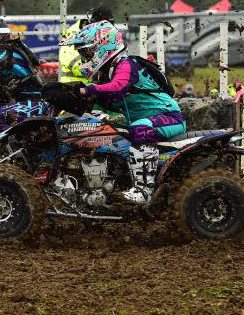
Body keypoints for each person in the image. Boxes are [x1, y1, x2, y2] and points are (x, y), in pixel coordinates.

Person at [61, 18, 185, 204]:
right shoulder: (107, 73)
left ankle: (144, 191)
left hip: (169, 117)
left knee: (139, 129)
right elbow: (99, 105)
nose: (84, 58)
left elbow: (118, 86)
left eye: (87, 52)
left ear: (102, 47)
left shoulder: (126, 64)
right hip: (146, 120)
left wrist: (86, 90)